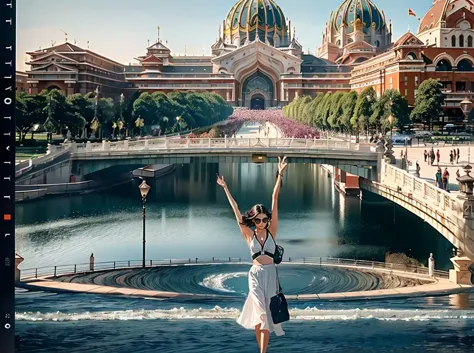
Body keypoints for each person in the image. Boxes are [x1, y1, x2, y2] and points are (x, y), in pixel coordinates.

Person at [217, 156, 288, 353]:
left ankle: (260, 350)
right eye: (258, 220)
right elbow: (236, 210)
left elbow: (275, 198)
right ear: (254, 220)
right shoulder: (249, 234)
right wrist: (225, 188)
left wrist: (280, 174)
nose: (262, 222)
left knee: (264, 317)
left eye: (265, 219)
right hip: (256, 275)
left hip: (271, 275)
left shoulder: (272, 231)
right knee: (262, 315)